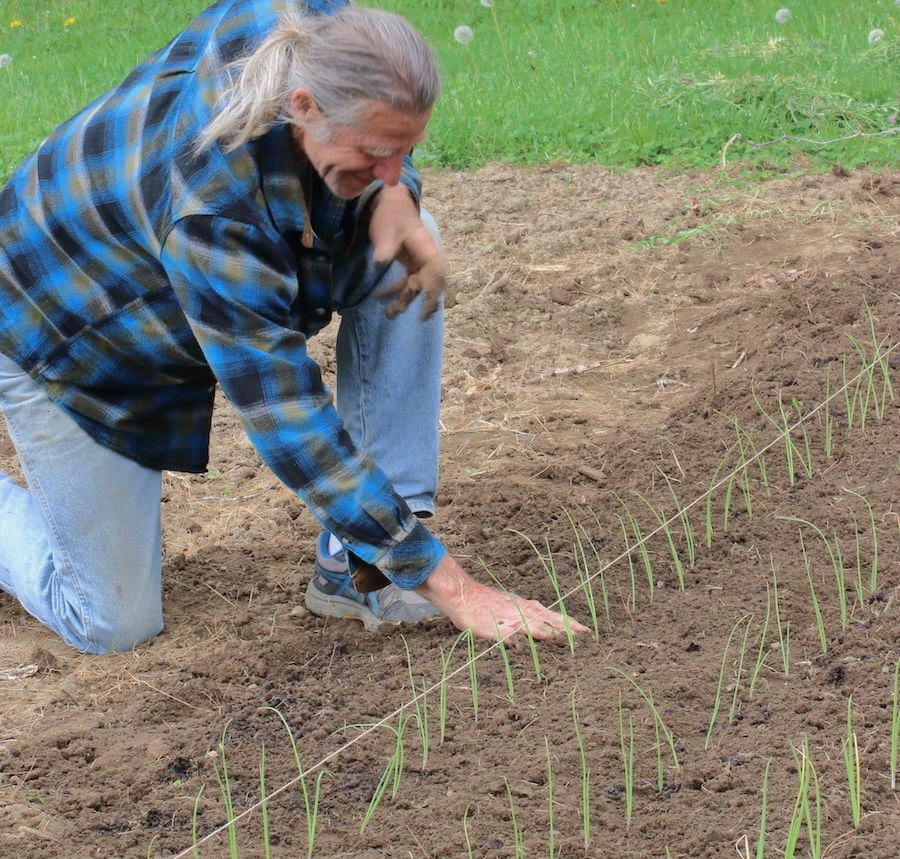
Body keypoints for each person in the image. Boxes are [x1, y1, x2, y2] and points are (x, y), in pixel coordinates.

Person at [0, 0, 586, 654]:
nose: (389, 170)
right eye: (372, 154)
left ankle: (358, 567)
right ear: (303, 107)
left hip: (161, 268)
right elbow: (287, 415)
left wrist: (400, 195)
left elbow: (383, 160)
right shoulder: (216, 216)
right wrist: (456, 588)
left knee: (404, 246)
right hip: (68, 327)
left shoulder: (318, 29)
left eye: (406, 151)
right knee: (111, 622)